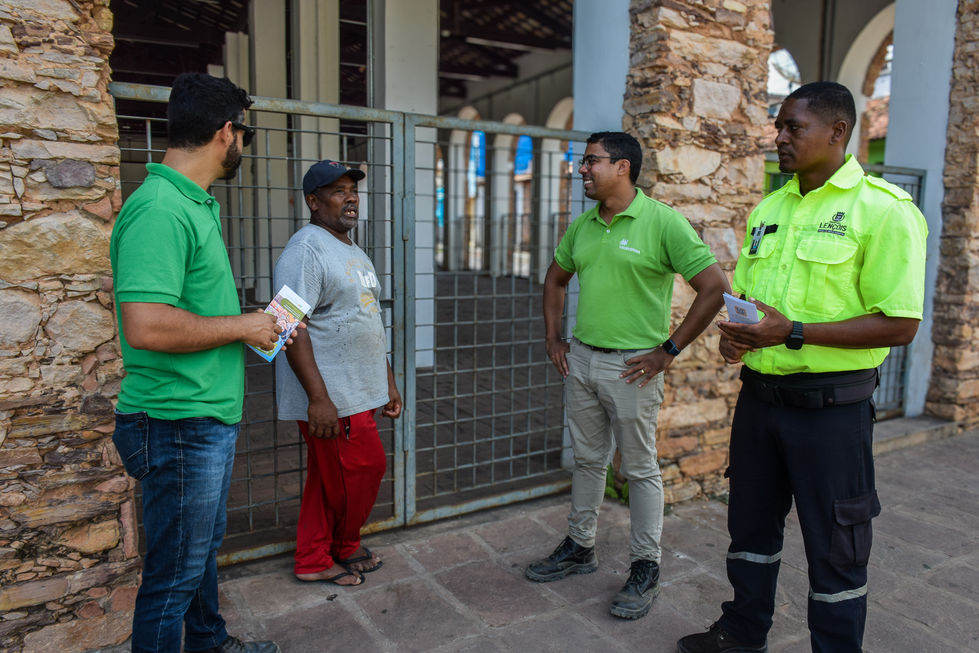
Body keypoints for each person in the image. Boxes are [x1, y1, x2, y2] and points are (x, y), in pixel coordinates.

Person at [676, 82, 927, 653]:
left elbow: (901, 323)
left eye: (794, 127)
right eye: (778, 126)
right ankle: (743, 631)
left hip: (831, 412)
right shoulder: (771, 207)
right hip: (761, 402)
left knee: (836, 544)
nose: (780, 138)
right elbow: (750, 300)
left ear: (837, 133)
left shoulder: (882, 211)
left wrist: (790, 331)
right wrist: (737, 341)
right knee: (750, 526)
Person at [110, 73, 287, 653]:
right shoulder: (160, 208)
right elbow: (146, 325)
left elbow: (180, 308)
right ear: (225, 132)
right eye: (246, 132)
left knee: (199, 554)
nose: (244, 145)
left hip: (200, 415)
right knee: (172, 580)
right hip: (177, 421)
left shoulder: (193, 202)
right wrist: (244, 325)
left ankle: (209, 642)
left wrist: (252, 320)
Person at [527, 131, 728, 620]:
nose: (582, 170)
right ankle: (580, 546)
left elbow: (714, 287)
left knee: (639, 469)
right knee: (590, 460)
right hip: (583, 359)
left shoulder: (663, 224)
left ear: (622, 167)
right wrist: (555, 339)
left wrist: (669, 351)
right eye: (583, 162)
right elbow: (555, 278)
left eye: (591, 161)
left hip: (635, 366)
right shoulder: (583, 226)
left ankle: (646, 566)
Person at [274, 160, 403, 587]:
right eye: (337, 191)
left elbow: (363, 318)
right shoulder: (305, 249)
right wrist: (318, 399)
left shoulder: (350, 249)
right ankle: (345, 544)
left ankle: (315, 557)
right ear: (313, 202)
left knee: (328, 478)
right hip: (330, 396)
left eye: (353, 190)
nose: (350, 197)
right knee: (363, 469)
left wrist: (385, 380)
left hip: (357, 389)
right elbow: (285, 326)